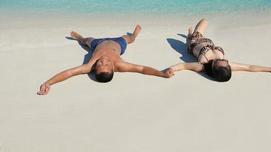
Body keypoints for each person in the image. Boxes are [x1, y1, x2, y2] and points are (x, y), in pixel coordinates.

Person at [37, 25, 173, 95]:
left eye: (100, 63)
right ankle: (134, 34)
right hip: (118, 44)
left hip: (98, 43)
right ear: (113, 68)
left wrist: (49, 83)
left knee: (86, 41)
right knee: (129, 39)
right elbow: (142, 69)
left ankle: (80, 38)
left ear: (95, 68)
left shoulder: (89, 66)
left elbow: (70, 73)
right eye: (107, 64)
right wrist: (161, 73)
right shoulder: (120, 65)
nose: (103, 60)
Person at [169, 19, 271, 82]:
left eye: (224, 62)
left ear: (214, 66)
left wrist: (171, 69)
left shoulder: (202, 65)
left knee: (204, 21)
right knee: (205, 22)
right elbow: (249, 68)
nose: (227, 60)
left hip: (195, 41)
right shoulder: (226, 66)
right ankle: (189, 34)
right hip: (208, 42)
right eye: (227, 63)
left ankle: (190, 36)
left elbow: (183, 66)